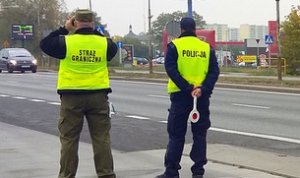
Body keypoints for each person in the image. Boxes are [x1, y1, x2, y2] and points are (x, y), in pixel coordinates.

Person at [40, 9, 117, 178]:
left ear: (75, 22)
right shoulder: (105, 43)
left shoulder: (66, 42)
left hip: (71, 97)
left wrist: (64, 28)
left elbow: (44, 44)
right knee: (101, 138)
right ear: (93, 23)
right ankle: (106, 175)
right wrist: (94, 31)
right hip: (98, 97)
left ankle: (67, 175)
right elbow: (112, 50)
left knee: (69, 139)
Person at [155, 17, 219, 178]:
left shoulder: (175, 46)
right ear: (194, 29)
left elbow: (171, 69)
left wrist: (186, 87)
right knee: (199, 135)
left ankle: (171, 172)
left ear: (181, 29)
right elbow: (214, 72)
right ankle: (198, 172)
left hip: (180, 96)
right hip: (201, 97)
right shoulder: (206, 48)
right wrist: (202, 89)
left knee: (176, 135)